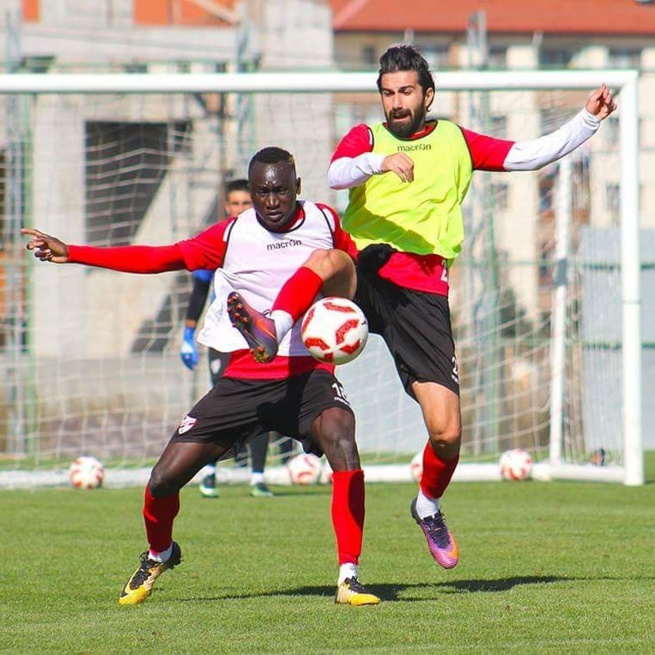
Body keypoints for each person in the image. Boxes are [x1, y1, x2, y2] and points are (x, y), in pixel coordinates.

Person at [224, 45, 617, 570]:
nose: (396, 102)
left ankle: (427, 503)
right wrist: (379, 161)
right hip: (365, 269)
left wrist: (587, 121)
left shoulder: (454, 139)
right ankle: (274, 331)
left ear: (427, 94)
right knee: (324, 259)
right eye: (388, 93)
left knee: (447, 431)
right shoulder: (369, 137)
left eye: (406, 91)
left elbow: (526, 155)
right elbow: (338, 174)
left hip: (423, 292)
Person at [22, 146, 380, 607]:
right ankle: (159, 553)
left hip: (307, 372)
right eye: (261, 192)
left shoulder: (325, 221)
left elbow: (352, 274)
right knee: (162, 480)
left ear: (298, 188)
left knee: (342, 436)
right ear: (250, 193)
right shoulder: (232, 234)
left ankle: (349, 576)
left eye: (281, 191)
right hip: (245, 375)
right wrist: (73, 253)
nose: (271, 201)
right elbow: (161, 257)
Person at [180, 178, 292, 499]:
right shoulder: (219, 240)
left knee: (262, 403)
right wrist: (188, 333)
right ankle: (210, 472)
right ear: (226, 206)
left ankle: (257, 476)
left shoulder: (268, 238)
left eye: (247, 202)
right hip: (225, 338)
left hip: (259, 335)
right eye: (236, 203)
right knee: (220, 402)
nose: (241, 208)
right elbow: (200, 289)